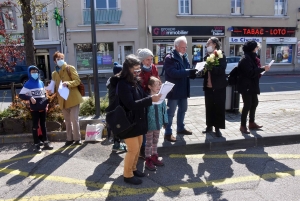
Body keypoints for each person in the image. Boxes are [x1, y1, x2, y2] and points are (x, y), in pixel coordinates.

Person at [117, 54, 161, 185]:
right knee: (133, 149)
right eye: (135, 70)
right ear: (128, 69)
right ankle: (127, 174)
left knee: (138, 146)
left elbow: (143, 96)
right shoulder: (123, 84)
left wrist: (155, 94)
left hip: (138, 120)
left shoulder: (135, 81)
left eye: (139, 69)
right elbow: (131, 104)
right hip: (129, 122)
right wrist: (150, 99)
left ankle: (134, 168)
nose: (137, 72)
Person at [164, 36, 198, 142]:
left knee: (183, 110)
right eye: (183, 47)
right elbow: (173, 73)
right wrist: (188, 72)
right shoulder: (169, 58)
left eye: (186, 47)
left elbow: (186, 70)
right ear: (176, 47)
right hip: (174, 90)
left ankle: (180, 128)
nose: (185, 49)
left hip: (183, 88)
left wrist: (193, 73)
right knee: (170, 113)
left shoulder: (184, 56)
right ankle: (168, 133)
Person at [48, 51, 84, 146]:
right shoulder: (54, 73)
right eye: (58, 59)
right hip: (62, 100)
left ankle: (77, 138)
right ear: (55, 61)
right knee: (67, 121)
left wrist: (68, 83)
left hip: (73, 98)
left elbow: (77, 81)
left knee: (74, 119)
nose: (60, 60)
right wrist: (50, 90)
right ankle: (69, 138)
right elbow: (55, 86)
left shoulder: (69, 68)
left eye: (61, 58)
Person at [237, 40, 270, 134]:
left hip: (252, 85)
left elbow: (254, 70)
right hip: (246, 85)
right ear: (252, 48)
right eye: (256, 47)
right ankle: (243, 125)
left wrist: (261, 69)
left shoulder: (252, 57)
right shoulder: (245, 58)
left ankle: (251, 123)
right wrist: (262, 69)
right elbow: (250, 72)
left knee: (254, 102)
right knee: (247, 105)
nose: (257, 49)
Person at [19, 65, 53, 153]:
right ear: (29, 73)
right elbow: (21, 95)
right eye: (32, 72)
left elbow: (44, 94)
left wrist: (46, 103)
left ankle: (46, 142)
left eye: (36, 72)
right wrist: (30, 97)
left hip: (42, 107)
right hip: (34, 109)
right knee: (35, 126)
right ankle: (36, 144)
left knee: (43, 125)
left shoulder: (41, 83)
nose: (35, 73)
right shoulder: (28, 84)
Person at [201, 37, 227, 137]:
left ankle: (217, 128)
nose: (207, 45)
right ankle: (209, 126)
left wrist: (211, 67)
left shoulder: (221, 56)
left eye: (209, 43)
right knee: (209, 107)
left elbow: (221, 70)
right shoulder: (206, 56)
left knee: (218, 107)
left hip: (219, 87)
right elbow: (204, 72)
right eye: (207, 44)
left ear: (215, 44)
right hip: (208, 87)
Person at [137, 48, 160, 159]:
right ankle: (143, 148)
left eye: (151, 59)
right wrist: (147, 94)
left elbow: (157, 79)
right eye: (147, 60)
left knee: (151, 122)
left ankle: (150, 150)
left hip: (153, 97)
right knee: (144, 123)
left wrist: (157, 87)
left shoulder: (154, 68)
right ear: (141, 60)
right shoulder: (138, 70)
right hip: (143, 98)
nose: (150, 62)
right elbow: (139, 86)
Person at [144, 76, 167, 171]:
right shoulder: (147, 99)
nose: (158, 87)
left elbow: (164, 110)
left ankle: (154, 156)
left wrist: (165, 121)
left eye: (159, 85)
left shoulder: (161, 98)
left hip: (158, 124)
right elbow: (144, 112)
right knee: (148, 143)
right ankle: (148, 159)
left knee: (155, 141)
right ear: (150, 86)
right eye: (156, 85)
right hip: (149, 125)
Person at [106, 63, 126, 152]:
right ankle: (117, 144)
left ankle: (116, 143)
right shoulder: (118, 80)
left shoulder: (110, 80)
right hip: (117, 106)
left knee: (115, 125)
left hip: (112, 106)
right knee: (119, 125)